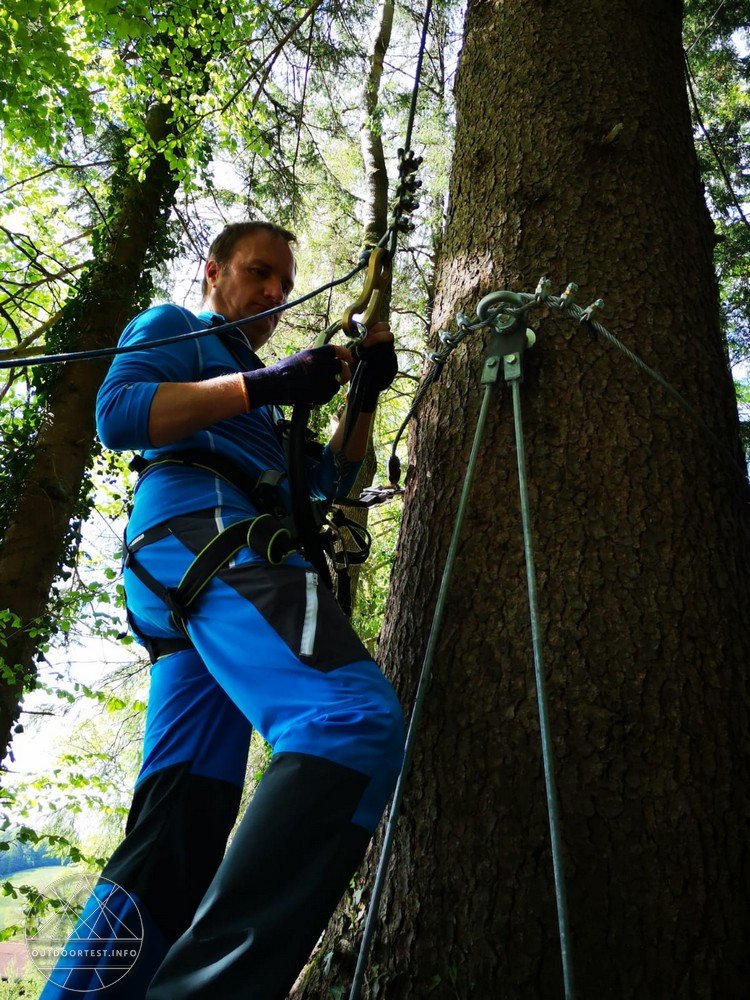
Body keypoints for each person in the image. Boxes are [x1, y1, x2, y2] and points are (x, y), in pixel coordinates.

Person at [39, 222, 404, 999]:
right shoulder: (177, 328)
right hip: (199, 530)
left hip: (200, 574)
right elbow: (120, 412)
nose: (274, 293)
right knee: (349, 718)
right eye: (259, 272)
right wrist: (265, 384)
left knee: (176, 833)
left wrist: (363, 396)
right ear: (214, 272)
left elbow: (329, 483)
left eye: (283, 281)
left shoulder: (261, 413)